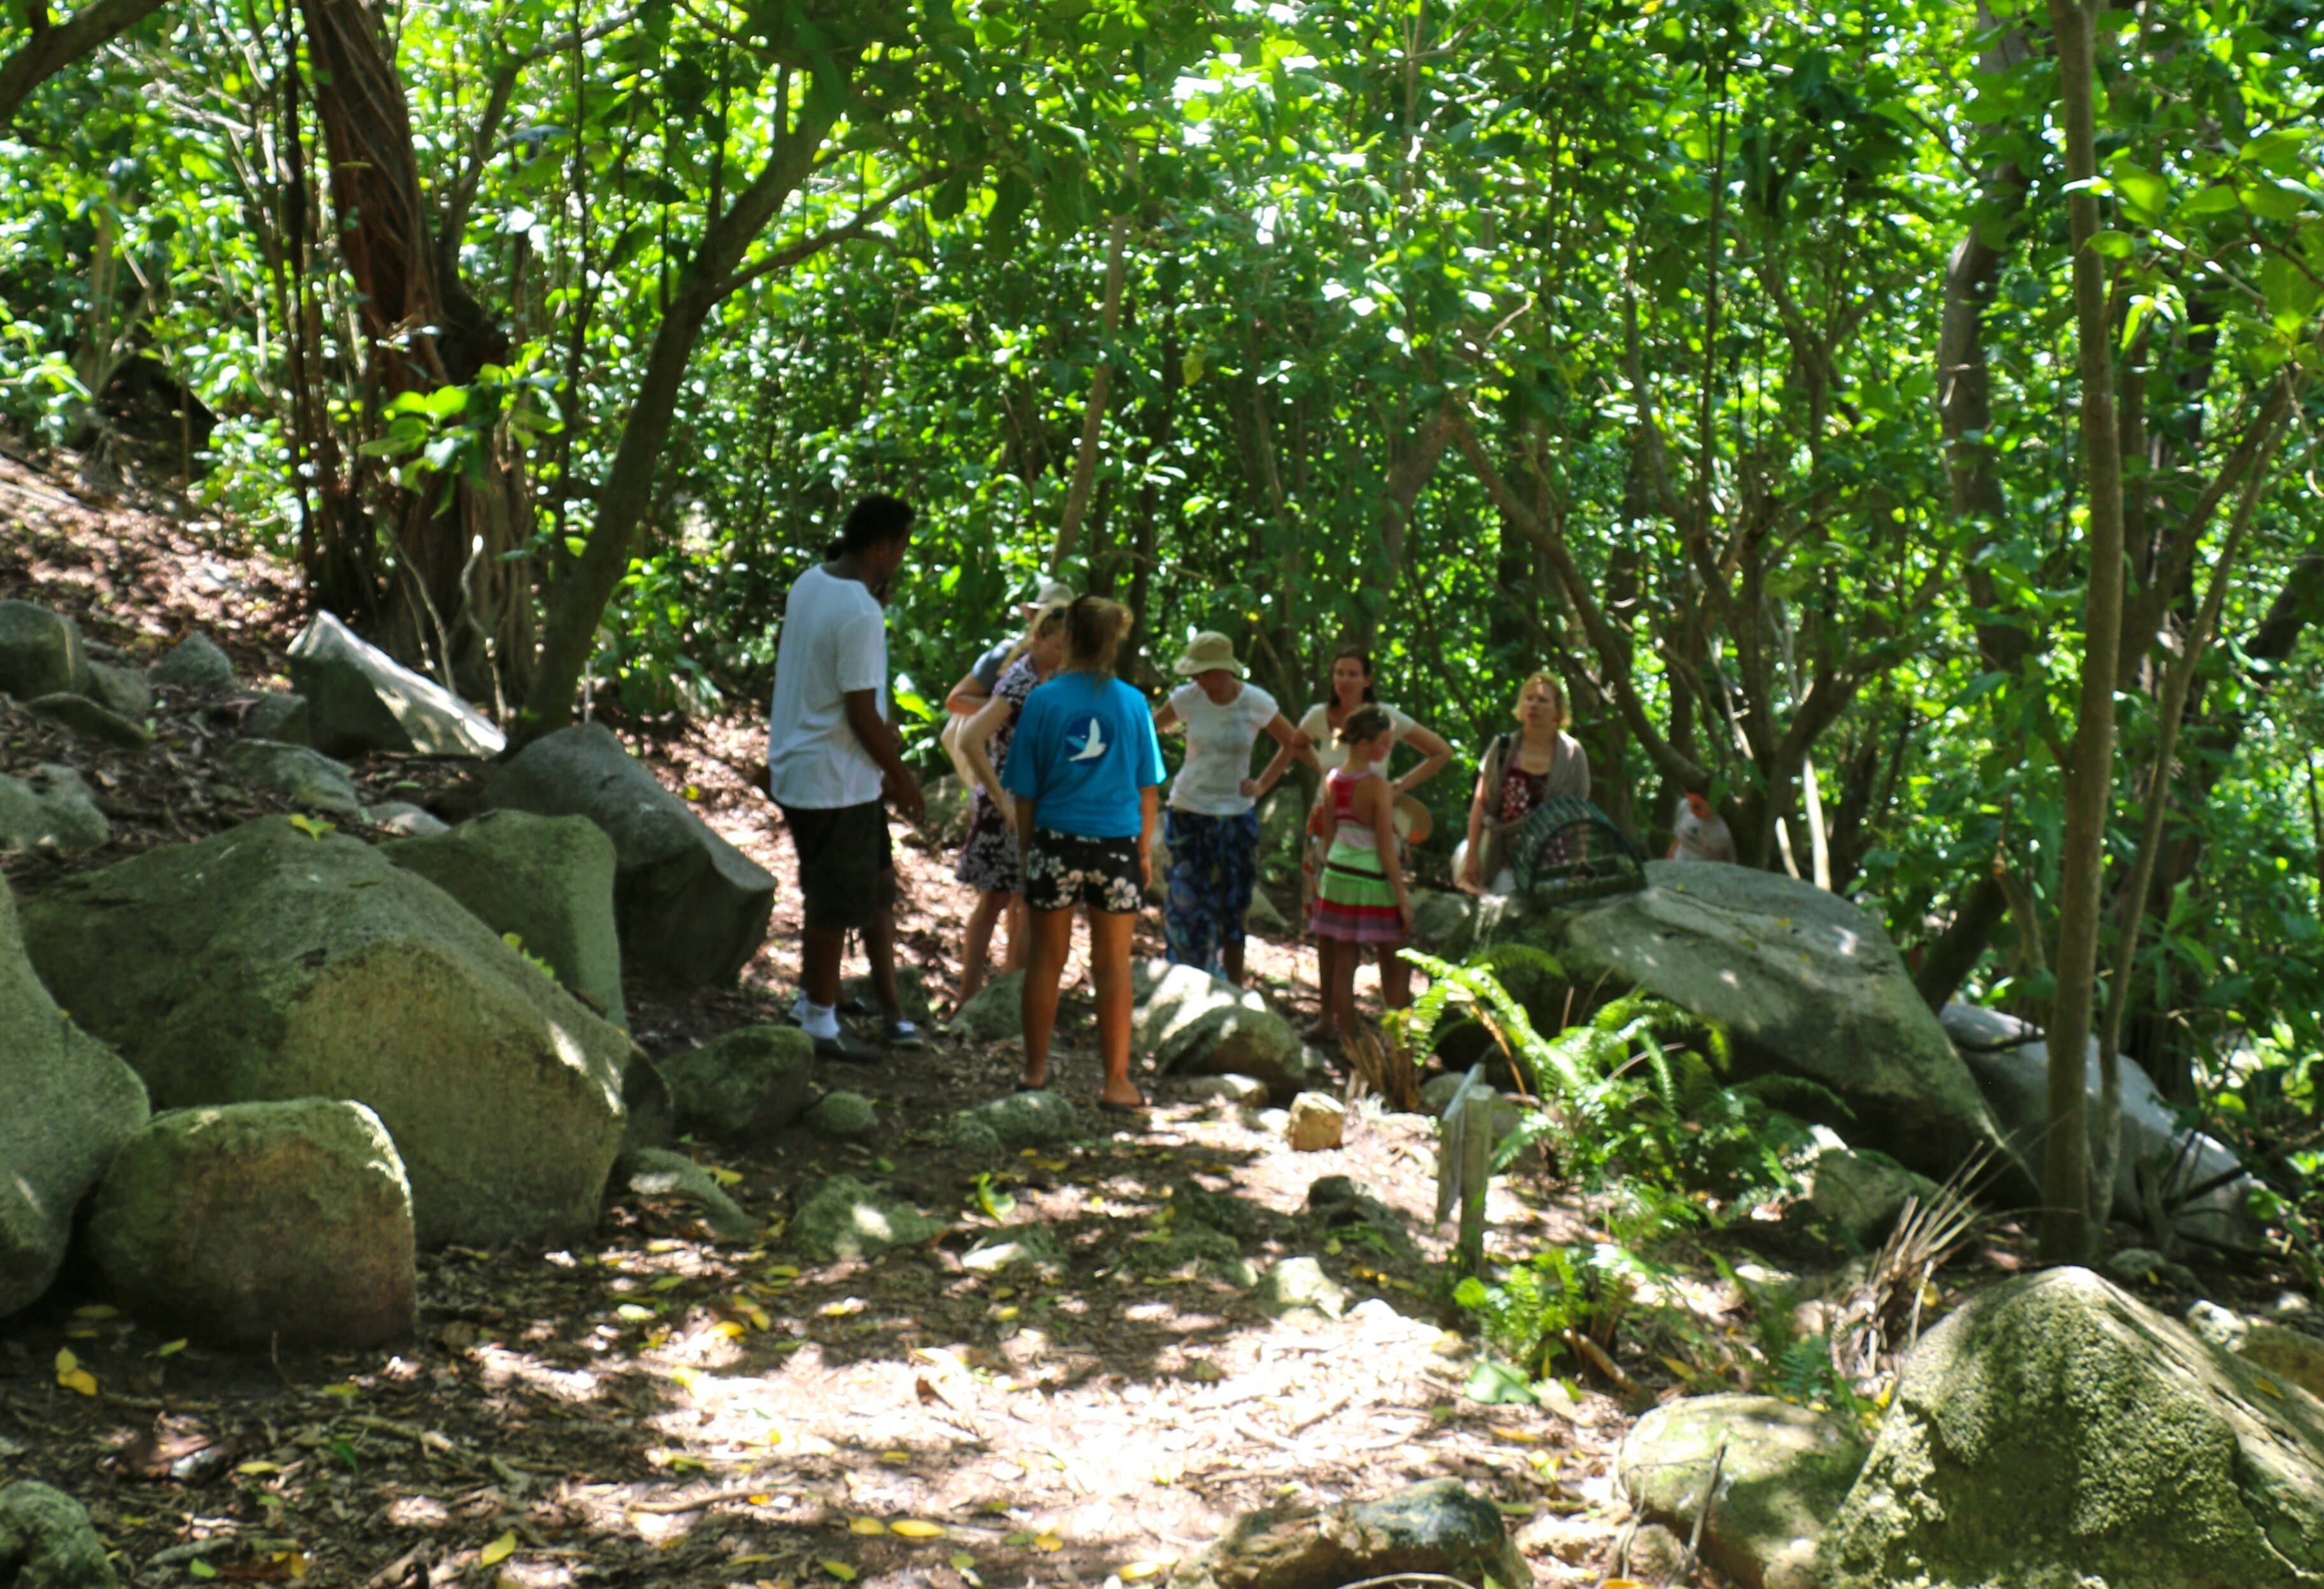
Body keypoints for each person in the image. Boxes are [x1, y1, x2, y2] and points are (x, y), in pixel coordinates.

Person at [766, 494, 928, 1060]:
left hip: (813, 767)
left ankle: (847, 999)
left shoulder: (811, 582)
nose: (903, 559)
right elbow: (859, 710)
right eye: (903, 546)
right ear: (882, 547)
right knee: (833, 901)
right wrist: (901, 777)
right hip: (832, 779)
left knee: (869, 885)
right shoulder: (860, 611)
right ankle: (817, 1019)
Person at [1003, 595, 1164, 1109]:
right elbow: (1148, 789)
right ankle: (1116, 1081)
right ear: (1113, 643)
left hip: (1056, 840)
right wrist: (1143, 851)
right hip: (1116, 846)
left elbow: (1024, 791)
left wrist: (1030, 852)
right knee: (1113, 964)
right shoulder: (1133, 704)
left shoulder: (1043, 702)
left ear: (1069, 636)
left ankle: (1034, 1072)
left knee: (1046, 960)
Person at [1258, 645, 1451, 1043]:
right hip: (1344, 839)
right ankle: (1337, 1025)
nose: (1344, 680)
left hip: (1357, 835)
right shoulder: (1319, 719)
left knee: (1362, 947)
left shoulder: (1386, 721)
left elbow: (1440, 751)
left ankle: (1371, 1038)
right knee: (1335, 938)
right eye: (1338, 673)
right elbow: (1295, 743)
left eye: (1352, 673)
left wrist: (1399, 788)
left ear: (1368, 679)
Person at [1151, 632, 1310, 985]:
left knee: (1233, 906)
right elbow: (1146, 730)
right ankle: (1183, 982)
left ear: (1225, 671)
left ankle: (1234, 988)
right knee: (1184, 904)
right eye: (1195, 674)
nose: (1198, 680)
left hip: (1234, 816)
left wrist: (1263, 784)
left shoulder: (1255, 702)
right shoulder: (1187, 699)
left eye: (1204, 673)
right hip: (1188, 811)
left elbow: (1293, 742)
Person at [950, 601, 1070, 1005]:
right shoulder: (1020, 680)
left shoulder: (1053, 678)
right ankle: (969, 996)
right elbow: (971, 739)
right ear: (1038, 637)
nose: (1061, 655)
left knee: (1025, 900)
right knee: (994, 900)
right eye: (1056, 646)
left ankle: (1009, 991)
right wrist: (1001, 799)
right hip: (1007, 806)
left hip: (1037, 804)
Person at [1309, 705, 1415, 1043]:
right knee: (1396, 958)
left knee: (1344, 962)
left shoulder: (1333, 779)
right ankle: (1397, 1040)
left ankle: (1349, 1041)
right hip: (1372, 881)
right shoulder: (1377, 786)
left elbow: (1328, 838)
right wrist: (1403, 901)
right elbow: (1386, 849)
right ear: (1365, 744)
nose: (1388, 749)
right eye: (1384, 743)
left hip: (1337, 875)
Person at [1456, 671, 1591, 895]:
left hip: (1554, 861)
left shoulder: (1572, 754)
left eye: (1542, 700)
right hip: (1503, 858)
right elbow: (1480, 803)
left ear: (1557, 711)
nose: (1533, 706)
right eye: (1529, 699)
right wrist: (1471, 857)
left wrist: (1580, 863)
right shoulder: (1503, 747)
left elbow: (1581, 814)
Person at [941, 577, 1075, 774]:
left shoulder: (1067, 666)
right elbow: (955, 701)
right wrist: (1008, 709)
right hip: (1001, 768)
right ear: (1034, 620)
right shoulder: (1008, 657)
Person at [1669, 792, 1737, 863]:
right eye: (1690, 804)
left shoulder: (1727, 828)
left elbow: (1733, 861)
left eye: (1697, 807)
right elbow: (1677, 841)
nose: (1691, 811)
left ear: (1714, 803)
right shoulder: (1684, 806)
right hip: (1678, 865)